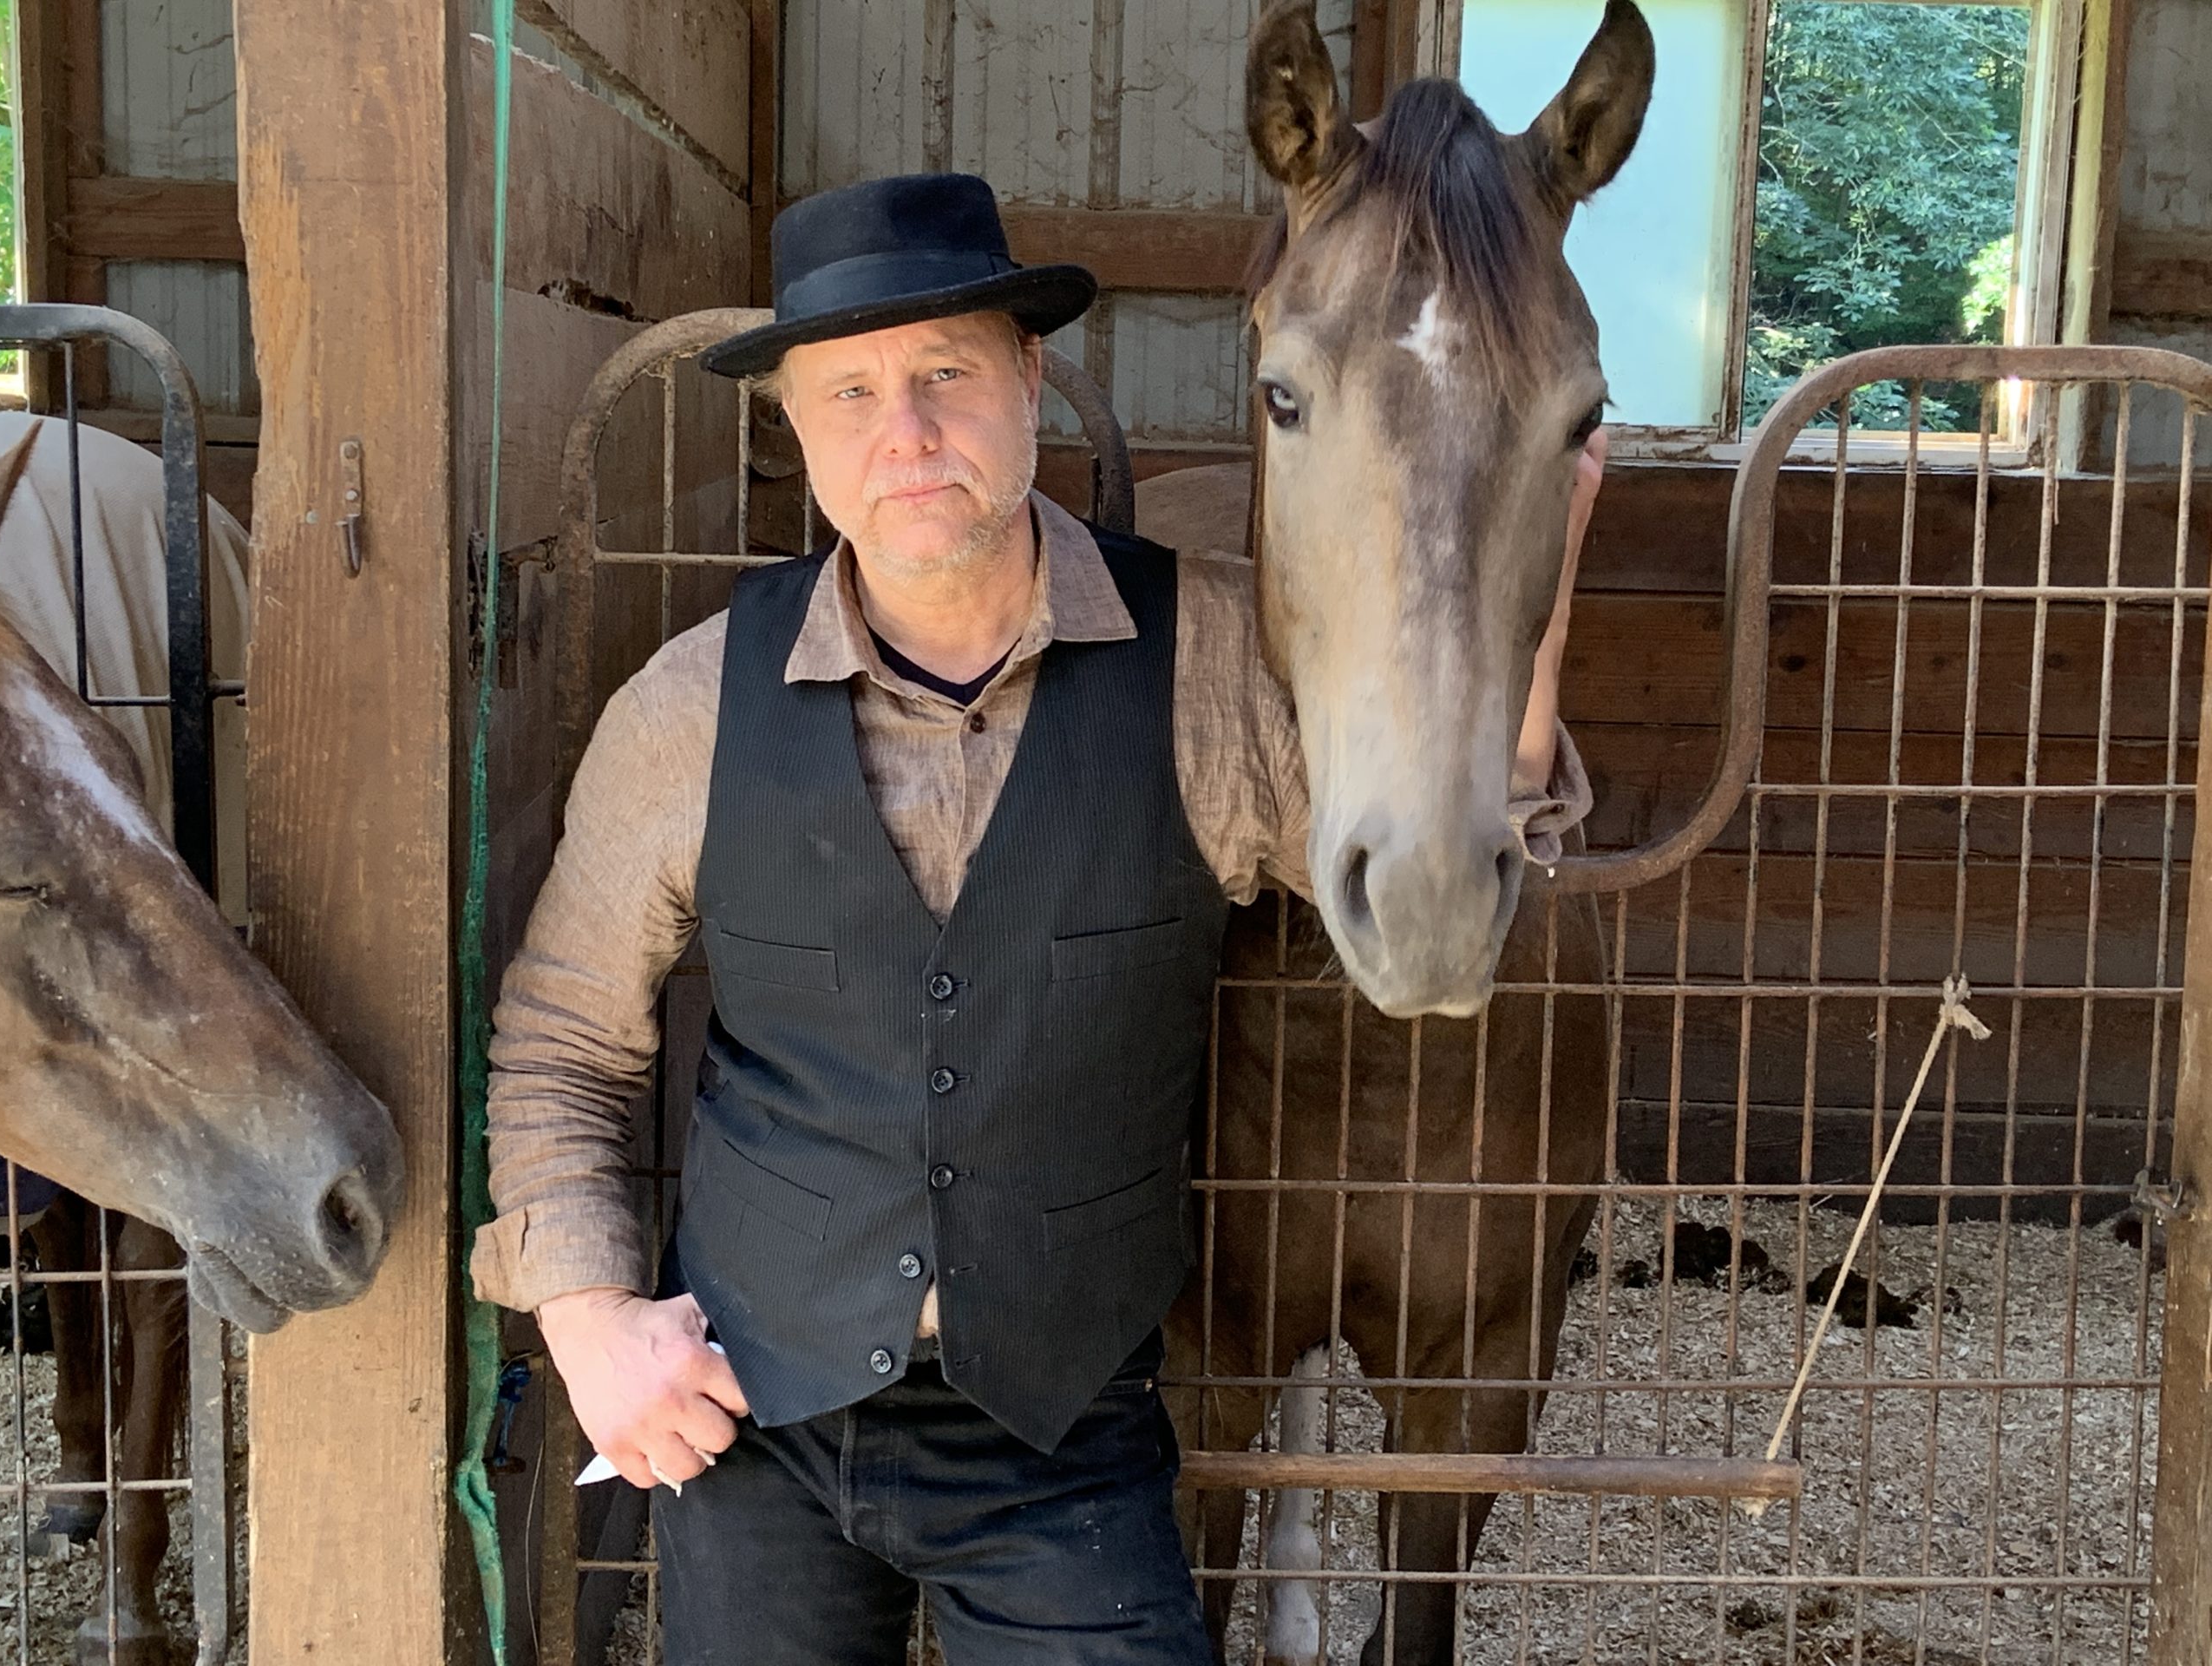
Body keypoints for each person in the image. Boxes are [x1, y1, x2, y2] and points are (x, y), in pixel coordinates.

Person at [473, 171, 1607, 1664]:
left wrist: (1544, 567)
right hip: (757, 1413)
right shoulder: (690, 709)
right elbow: (561, 1039)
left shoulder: (1202, 673)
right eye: (850, 392)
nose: (906, 432)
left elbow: (1449, 872)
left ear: (1029, 381)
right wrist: (585, 1314)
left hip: (1060, 1432)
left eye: (947, 374)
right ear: (796, 431)